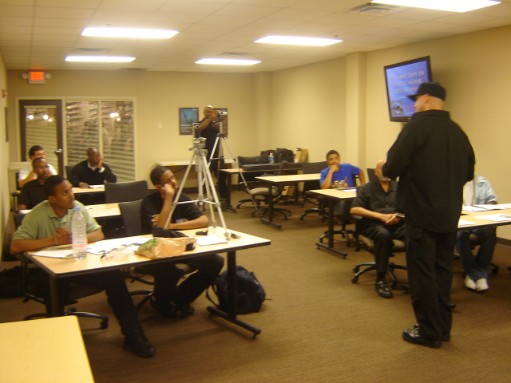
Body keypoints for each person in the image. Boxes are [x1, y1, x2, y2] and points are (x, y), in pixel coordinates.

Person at [10, 175, 155, 358]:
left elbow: (98, 234)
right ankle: (60, 343)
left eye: (71, 189)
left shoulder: (77, 208)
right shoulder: (37, 214)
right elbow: (15, 246)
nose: (71, 195)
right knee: (53, 286)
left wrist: (76, 239)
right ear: (52, 199)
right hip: (45, 271)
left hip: (78, 265)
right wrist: (54, 241)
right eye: (65, 192)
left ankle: (133, 335)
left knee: (114, 277)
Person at [381, 82, 475, 349]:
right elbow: (468, 172)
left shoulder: (415, 127)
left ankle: (428, 331)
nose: (414, 105)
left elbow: (391, 167)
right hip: (449, 214)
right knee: (443, 270)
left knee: (422, 273)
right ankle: (443, 328)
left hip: (421, 214)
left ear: (425, 99)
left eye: (416, 100)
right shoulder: (458, 132)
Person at [140, 166, 224, 318]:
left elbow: (204, 220)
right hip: (157, 251)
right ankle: (162, 302)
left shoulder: (182, 198)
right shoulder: (148, 203)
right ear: (159, 186)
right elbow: (159, 230)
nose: (174, 182)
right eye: (168, 180)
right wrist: (168, 199)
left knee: (216, 261)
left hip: (180, 245)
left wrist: (173, 226)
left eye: (173, 177)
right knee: (169, 270)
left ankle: (182, 297)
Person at [350, 161, 405, 299]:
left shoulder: (399, 187)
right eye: (382, 169)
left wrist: (398, 216)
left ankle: (419, 279)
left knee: (416, 233)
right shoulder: (367, 188)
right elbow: (354, 209)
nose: (385, 171)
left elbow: (409, 207)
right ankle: (380, 279)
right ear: (376, 172)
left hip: (397, 223)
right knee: (383, 235)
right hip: (375, 224)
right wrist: (380, 216)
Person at [457, 175, 497, 292]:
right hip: (460, 223)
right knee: (460, 235)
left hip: (478, 222)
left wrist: (489, 206)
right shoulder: (451, 182)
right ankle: (479, 276)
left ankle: (473, 274)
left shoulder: (482, 181)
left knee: (490, 235)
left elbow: (492, 200)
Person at [196, 105, 220, 174]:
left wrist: (217, 119)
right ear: (204, 112)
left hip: (217, 152)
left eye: (211, 112)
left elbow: (223, 133)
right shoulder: (199, 123)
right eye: (207, 112)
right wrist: (210, 118)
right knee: (205, 175)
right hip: (206, 154)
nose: (209, 114)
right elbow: (200, 128)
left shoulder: (215, 123)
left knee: (221, 175)